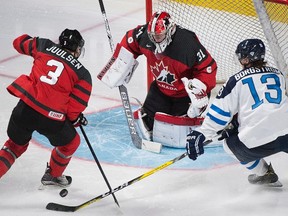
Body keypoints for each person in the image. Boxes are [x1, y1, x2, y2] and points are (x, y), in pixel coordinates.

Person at [98, 11, 217, 148]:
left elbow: (208, 67)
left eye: (159, 36)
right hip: (161, 89)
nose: (155, 40)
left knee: (177, 132)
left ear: (169, 31)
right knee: (148, 123)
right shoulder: (144, 36)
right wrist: (121, 63)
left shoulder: (187, 44)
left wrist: (200, 88)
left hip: (184, 94)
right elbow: (130, 41)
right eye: (152, 36)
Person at [186, 38, 288, 186]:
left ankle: (265, 173)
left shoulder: (235, 80)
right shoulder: (278, 74)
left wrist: (203, 132)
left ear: (246, 59)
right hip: (286, 134)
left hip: (257, 141)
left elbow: (220, 114)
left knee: (229, 144)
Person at [0, 29, 92, 187]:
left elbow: (18, 43)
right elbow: (73, 111)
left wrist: (38, 42)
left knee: (14, 146)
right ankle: (53, 175)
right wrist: (76, 119)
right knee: (71, 142)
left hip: (25, 109)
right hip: (51, 119)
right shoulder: (83, 74)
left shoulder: (44, 45)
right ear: (77, 48)